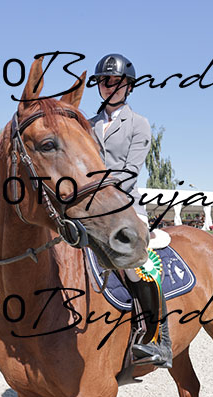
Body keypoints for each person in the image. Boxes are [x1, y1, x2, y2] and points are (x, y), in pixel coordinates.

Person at [88, 54, 172, 368]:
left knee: (137, 264)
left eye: (116, 82)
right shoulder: (87, 125)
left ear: (129, 86)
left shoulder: (139, 124)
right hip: (87, 208)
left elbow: (129, 173)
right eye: (104, 81)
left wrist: (96, 191)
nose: (110, 86)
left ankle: (159, 339)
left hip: (125, 206)